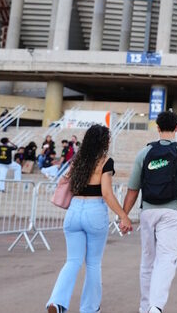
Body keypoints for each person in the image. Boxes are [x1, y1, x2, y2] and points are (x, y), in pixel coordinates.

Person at [45, 124, 132, 313]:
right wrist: (123, 216)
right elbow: (107, 194)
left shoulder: (77, 160)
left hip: (74, 211)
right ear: (105, 141)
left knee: (72, 261)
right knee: (93, 263)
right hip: (94, 211)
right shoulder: (105, 161)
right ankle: (90, 308)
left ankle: (57, 303)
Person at [122, 111, 177, 313]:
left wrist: (124, 215)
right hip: (172, 212)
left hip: (147, 211)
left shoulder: (144, 153)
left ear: (157, 128)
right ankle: (156, 306)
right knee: (167, 258)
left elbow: (133, 188)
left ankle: (144, 306)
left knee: (148, 260)